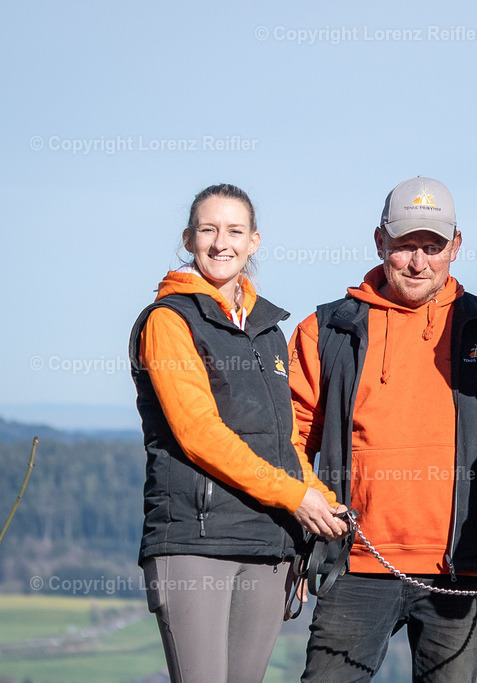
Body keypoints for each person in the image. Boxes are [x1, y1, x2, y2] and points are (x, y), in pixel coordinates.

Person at [289, 176, 477, 681]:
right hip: (353, 563)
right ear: (380, 242)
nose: (418, 262)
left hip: (459, 572)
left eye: (433, 246)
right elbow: (289, 443)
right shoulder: (327, 331)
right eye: (405, 247)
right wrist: (303, 526)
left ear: (456, 246)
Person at [128, 183, 349, 682]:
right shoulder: (169, 320)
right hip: (194, 541)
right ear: (188, 239)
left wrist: (318, 503)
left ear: (255, 242)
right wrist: (296, 498)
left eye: (234, 230)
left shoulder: (270, 333)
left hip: (269, 545)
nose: (220, 242)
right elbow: (197, 432)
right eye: (208, 230)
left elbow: (285, 440)